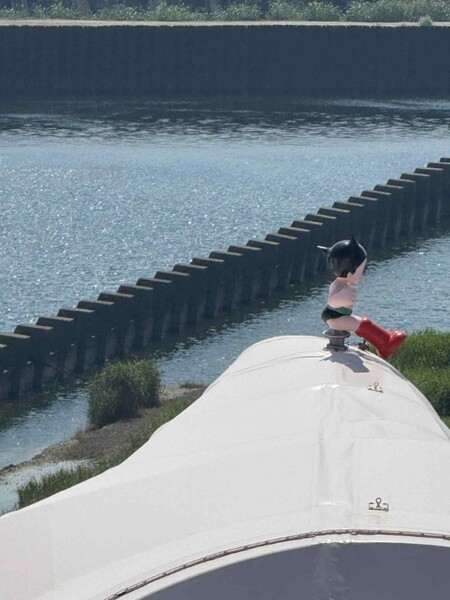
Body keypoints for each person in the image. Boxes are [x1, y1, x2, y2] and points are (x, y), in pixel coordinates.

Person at [318, 235, 406, 359]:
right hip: (334, 318)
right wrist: (344, 297)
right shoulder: (340, 286)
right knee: (363, 324)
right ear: (350, 273)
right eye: (361, 271)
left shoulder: (341, 285)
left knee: (363, 323)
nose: (362, 275)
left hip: (337, 316)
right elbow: (332, 301)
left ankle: (385, 341)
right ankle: (385, 344)